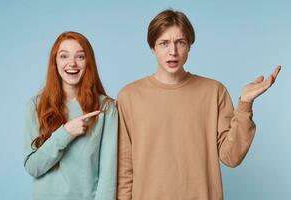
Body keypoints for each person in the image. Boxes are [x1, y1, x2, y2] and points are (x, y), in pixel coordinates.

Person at [117, 9, 281, 200]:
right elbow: (124, 169)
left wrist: (245, 103)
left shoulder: (214, 91)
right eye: (164, 43)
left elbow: (231, 157)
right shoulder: (130, 96)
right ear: (153, 48)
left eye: (180, 42)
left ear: (189, 46)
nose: (173, 51)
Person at [23, 31, 118, 200]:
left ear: (88, 62)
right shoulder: (35, 106)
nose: (72, 63)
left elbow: (108, 176)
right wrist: (65, 133)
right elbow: (33, 168)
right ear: (55, 62)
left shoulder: (106, 108)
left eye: (80, 57)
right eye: (64, 56)